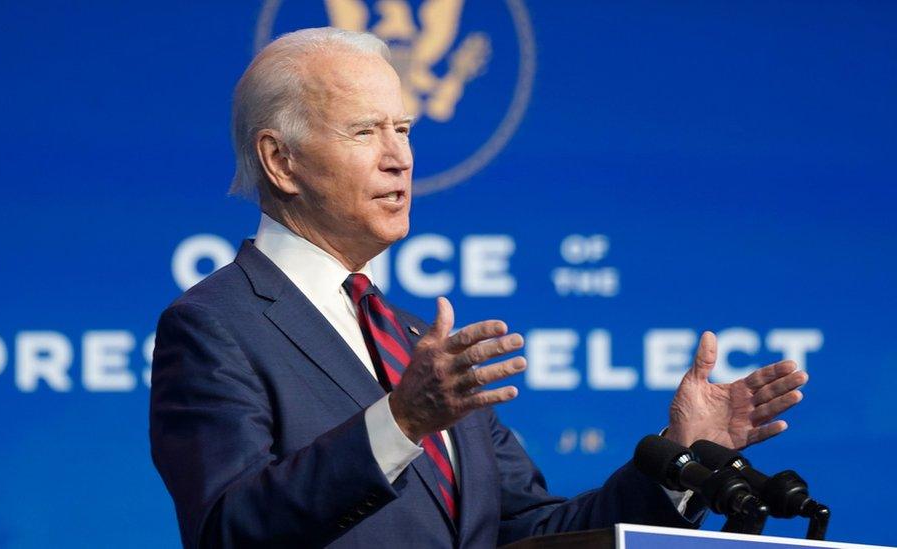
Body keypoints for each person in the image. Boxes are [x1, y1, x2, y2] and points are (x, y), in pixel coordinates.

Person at [149, 27, 808, 548]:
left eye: (403, 130)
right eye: (365, 131)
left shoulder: (418, 345)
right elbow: (228, 530)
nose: (399, 156)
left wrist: (681, 458)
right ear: (280, 159)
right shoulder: (216, 323)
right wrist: (402, 420)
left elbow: (537, 531)